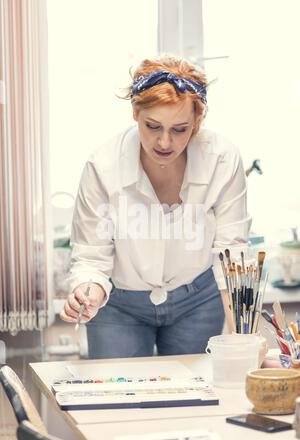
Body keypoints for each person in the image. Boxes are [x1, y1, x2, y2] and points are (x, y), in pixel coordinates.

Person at [60, 55, 251, 359]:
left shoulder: (223, 160)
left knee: (197, 401)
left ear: (197, 123)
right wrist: (88, 290)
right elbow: (91, 256)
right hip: (119, 306)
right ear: (136, 113)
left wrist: (244, 338)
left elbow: (232, 255)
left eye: (180, 129)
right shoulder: (103, 165)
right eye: (153, 126)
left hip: (198, 302)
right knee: (117, 398)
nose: (164, 142)